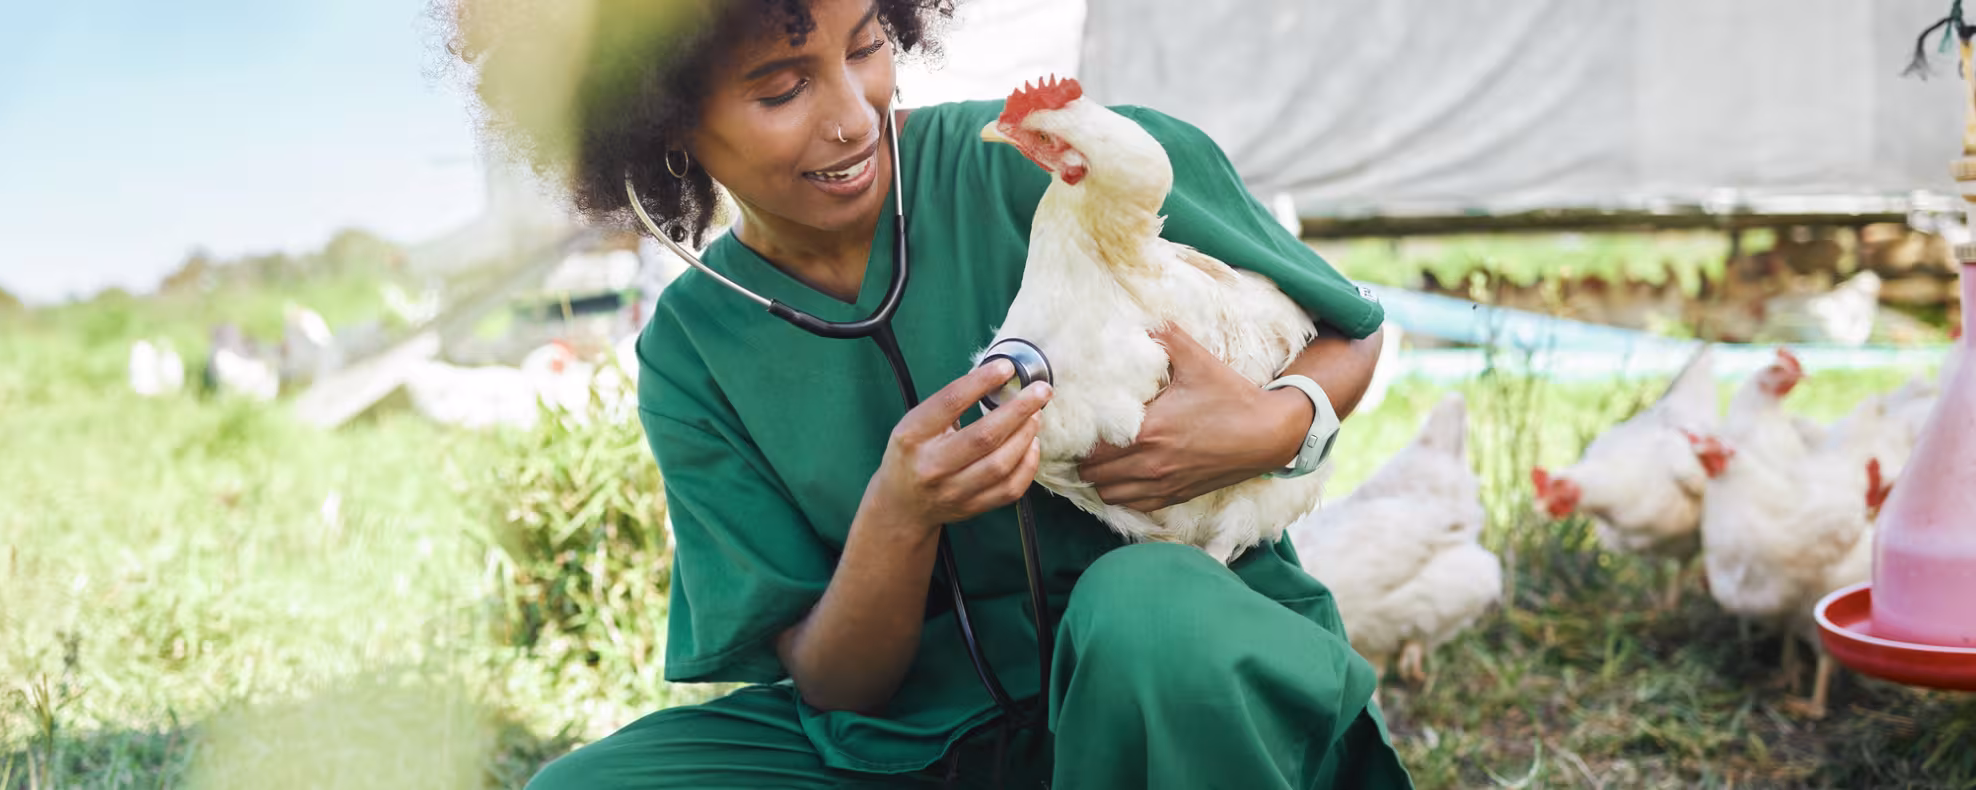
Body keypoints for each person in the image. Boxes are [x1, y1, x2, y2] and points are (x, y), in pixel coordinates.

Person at [446, 1, 1413, 787]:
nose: (853, 115)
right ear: (660, 121)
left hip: (1177, 697)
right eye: (782, 88)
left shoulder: (1050, 164)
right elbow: (837, 684)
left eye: (866, 44)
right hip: (914, 743)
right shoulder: (693, 350)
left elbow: (1352, 327)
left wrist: (1277, 423)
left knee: (1146, 610)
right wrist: (898, 517)